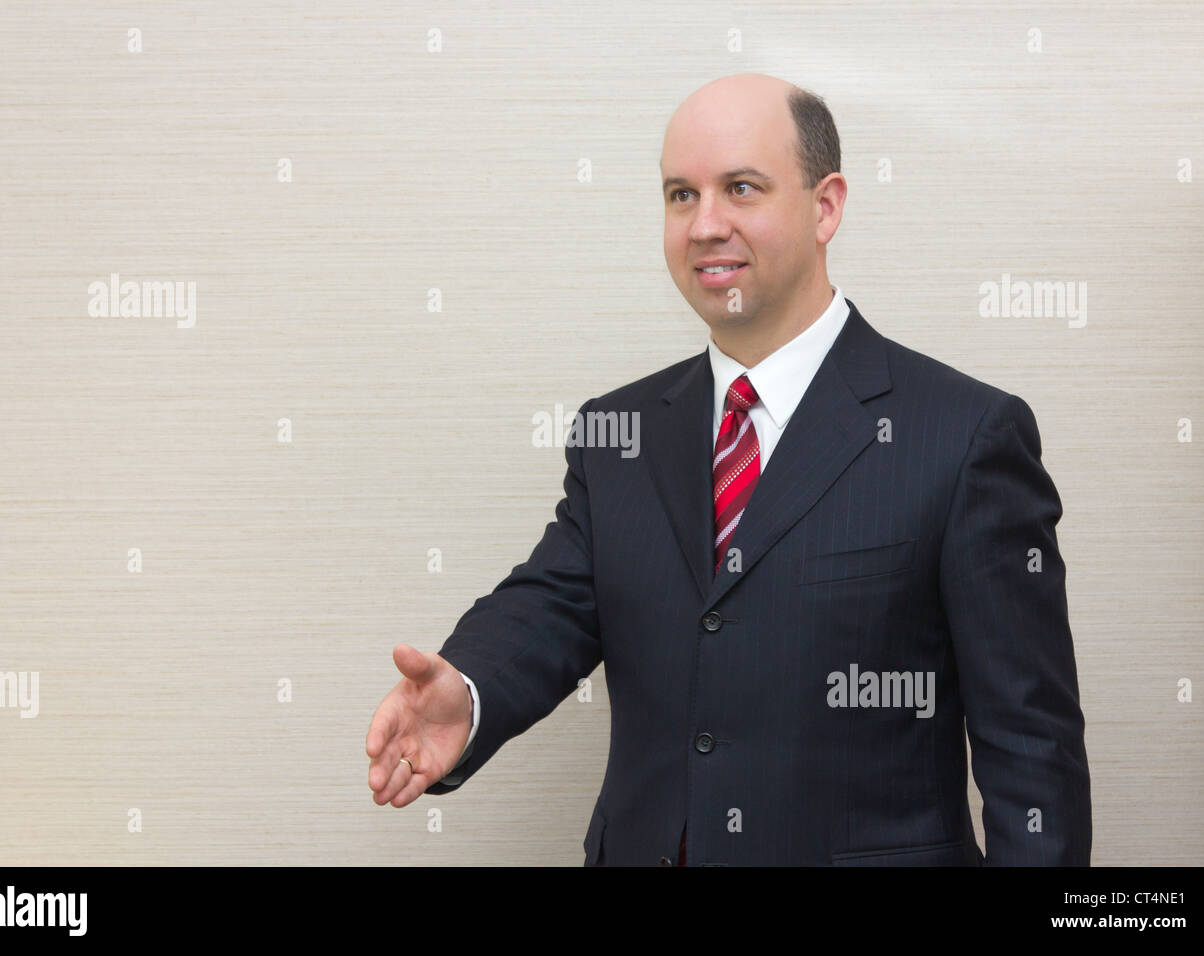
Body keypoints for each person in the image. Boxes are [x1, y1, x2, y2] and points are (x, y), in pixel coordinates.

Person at [365, 72, 1092, 866]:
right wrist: (466, 696)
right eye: (681, 195)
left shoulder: (963, 435)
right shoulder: (620, 432)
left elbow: (1032, 752)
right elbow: (552, 605)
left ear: (826, 205)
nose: (705, 224)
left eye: (740, 188)